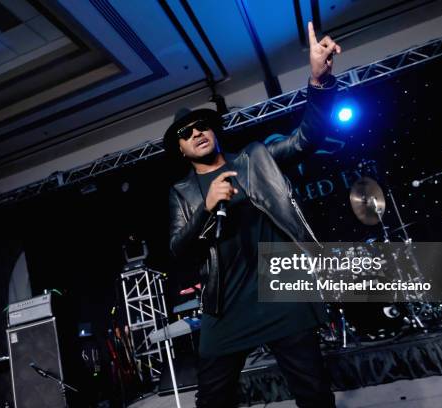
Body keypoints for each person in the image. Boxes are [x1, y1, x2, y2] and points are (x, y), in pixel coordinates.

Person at [164, 22, 341, 408]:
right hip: (225, 304)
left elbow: (308, 137)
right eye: (186, 132)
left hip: (281, 291)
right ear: (180, 148)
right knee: (212, 400)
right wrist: (205, 208)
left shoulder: (256, 159)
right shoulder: (181, 194)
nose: (196, 133)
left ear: (213, 131)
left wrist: (317, 80)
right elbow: (179, 250)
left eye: (201, 125)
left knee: (313, 393)